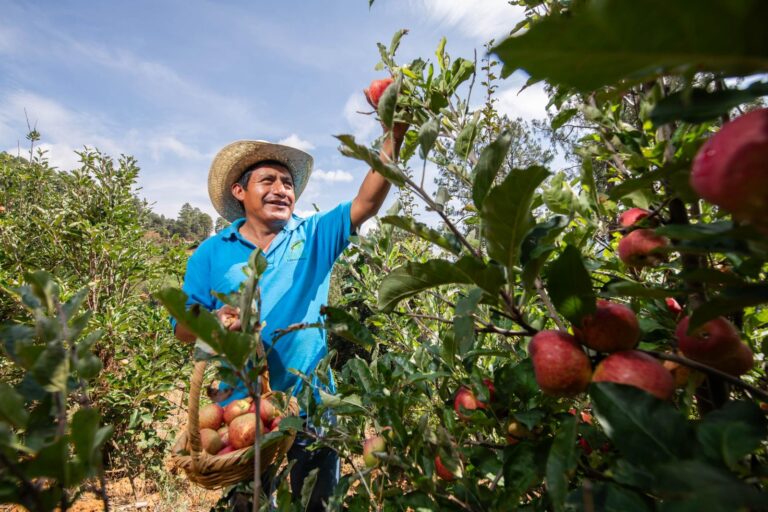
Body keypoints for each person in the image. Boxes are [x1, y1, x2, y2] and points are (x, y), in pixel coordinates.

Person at [173, 124, 404, 511]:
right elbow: (183, 328)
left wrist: (394, 136)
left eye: (288, 183)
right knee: (251, 505)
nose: (282, 189)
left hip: (311, 405)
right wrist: (215, 321)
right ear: (239, 191)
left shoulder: (313, 233)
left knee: (317, 502)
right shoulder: (211, 253)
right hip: (243, 413)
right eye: (268, 180)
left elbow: (366, 202)